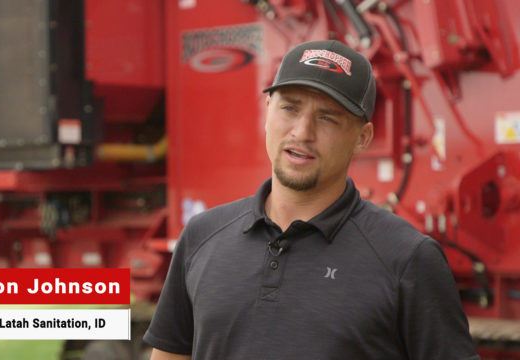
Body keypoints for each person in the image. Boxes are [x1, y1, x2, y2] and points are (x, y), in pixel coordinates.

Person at [144, 40, 479, 360]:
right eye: (290, 108)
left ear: (362, 138)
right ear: (267, 111)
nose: (302, 132)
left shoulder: (407, 259)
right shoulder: (201, 237)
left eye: (327, 117)